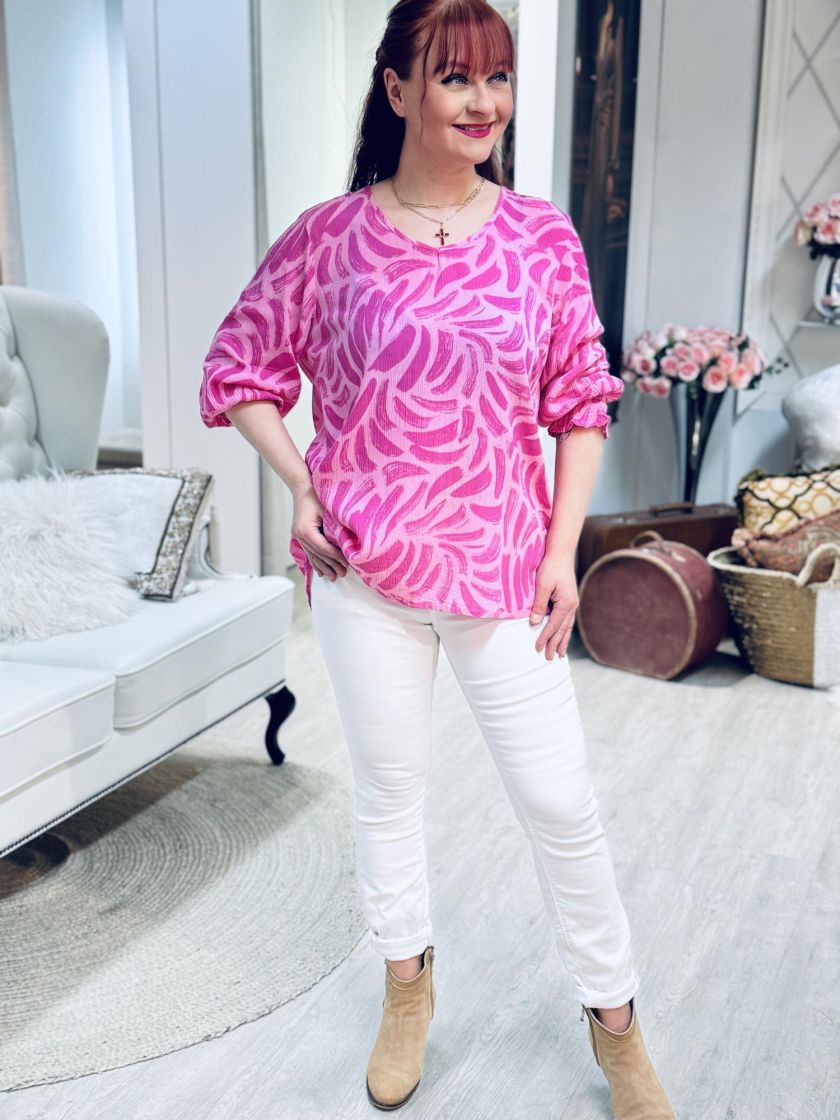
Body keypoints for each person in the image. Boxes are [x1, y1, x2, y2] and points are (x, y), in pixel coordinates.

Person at [199, 2, 675, 1116]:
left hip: (504, 569)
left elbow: (581, 403)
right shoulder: (329, 237)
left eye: (496, 79)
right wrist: (304, 485)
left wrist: (563, 550)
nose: (482, 102)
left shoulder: (541, 238)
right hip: (365, 573)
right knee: (390, 793)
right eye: (455, 77)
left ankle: (616, 1024)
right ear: (398, 88)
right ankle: (406, 989)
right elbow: (239, 366)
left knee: (560, 801)